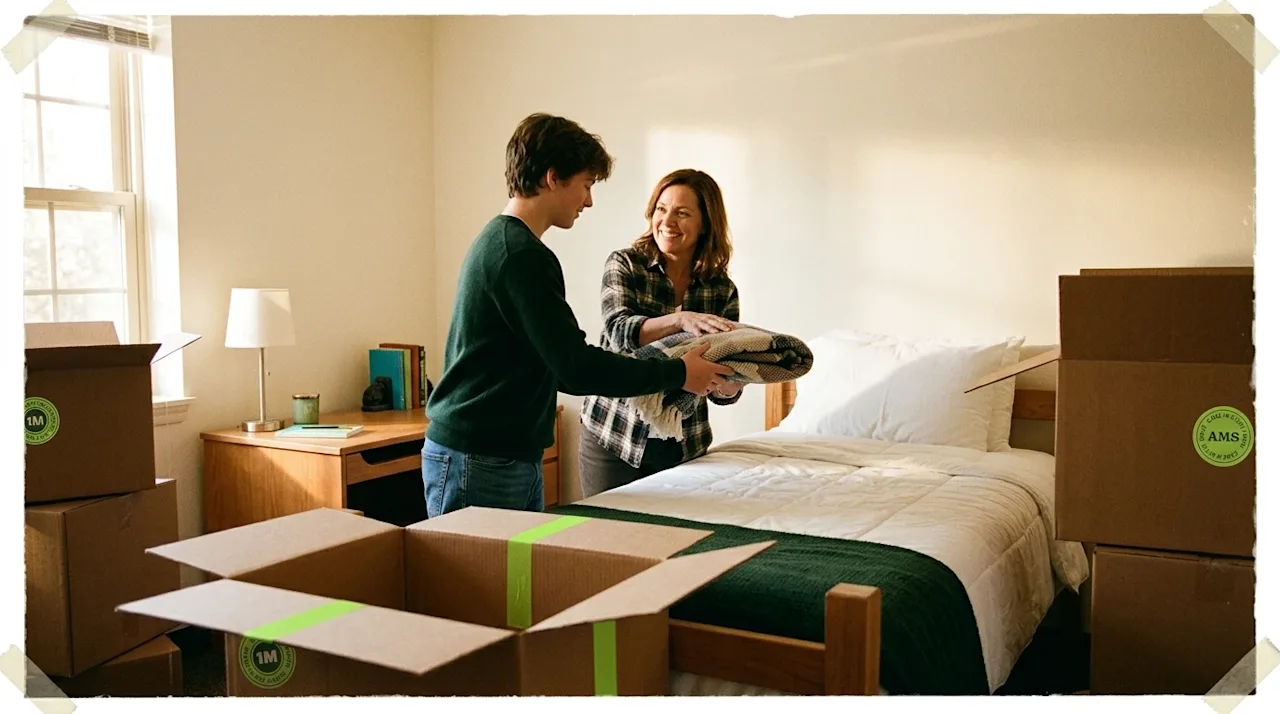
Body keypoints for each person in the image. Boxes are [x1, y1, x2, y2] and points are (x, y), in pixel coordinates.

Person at [422, 115, 734, 518]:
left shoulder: (509, 246)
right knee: (486, 581)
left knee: (516, 580)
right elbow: (576, 369)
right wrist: (678, 373)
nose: (588, 201)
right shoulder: (521, 256)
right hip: (481, 458)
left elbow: (559, 364)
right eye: (586, 185)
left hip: (503, 455)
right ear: (554, 178)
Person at [578, 169, 743, 498]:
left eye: (682, 213)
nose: (668, 221)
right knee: (605, 539)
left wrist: (729, 384)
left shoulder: (721, 290)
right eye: (661, 209)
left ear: (706, 223)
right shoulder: (625, 265)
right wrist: (681, 321)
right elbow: (619, 330)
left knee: (672, 543)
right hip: (614, 435)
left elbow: (725, 382)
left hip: (683, 444)